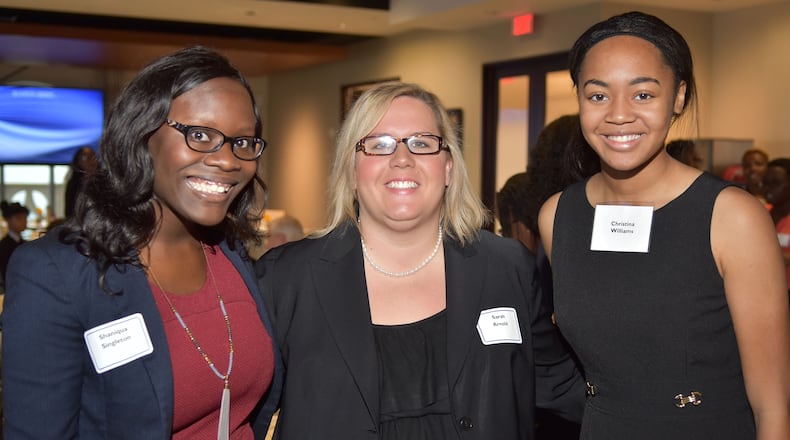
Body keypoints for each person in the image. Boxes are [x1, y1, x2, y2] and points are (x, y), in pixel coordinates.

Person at [255, 81, 585, 439]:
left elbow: (565, 388)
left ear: (447, 168)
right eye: (378, 145)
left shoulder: (506, 268)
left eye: (422, 143)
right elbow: (241, 414)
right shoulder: (286, 279)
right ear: (351, 171)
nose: (402, 159)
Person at [1, 46, 282, 439]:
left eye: (243, 142)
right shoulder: (56, 272)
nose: (228, 160)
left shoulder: (230, 253)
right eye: (200, 135)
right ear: (141, 132)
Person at [538, 11, 790, 439]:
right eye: (598, 96)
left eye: (642, 95)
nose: (618, 115)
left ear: (678, 97)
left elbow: (773, 405)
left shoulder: (731, 216)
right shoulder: (557, 215)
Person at [763, 158, 790, 295]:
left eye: (776, 183)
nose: (768, 188)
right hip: (764, 289)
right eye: (765, 183)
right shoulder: (759, 213)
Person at [0, 201, 29, 290]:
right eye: (19, 218)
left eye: (25, 218)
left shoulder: (25, 244)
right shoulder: (3, 246)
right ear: (8, 220)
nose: (24, 221)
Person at [64, 146, 98, 218]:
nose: (91, 161)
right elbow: (69, 209)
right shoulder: (74, 184)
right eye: (86, 157)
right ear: (78, 161)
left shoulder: (101, 182)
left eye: (93, 157)